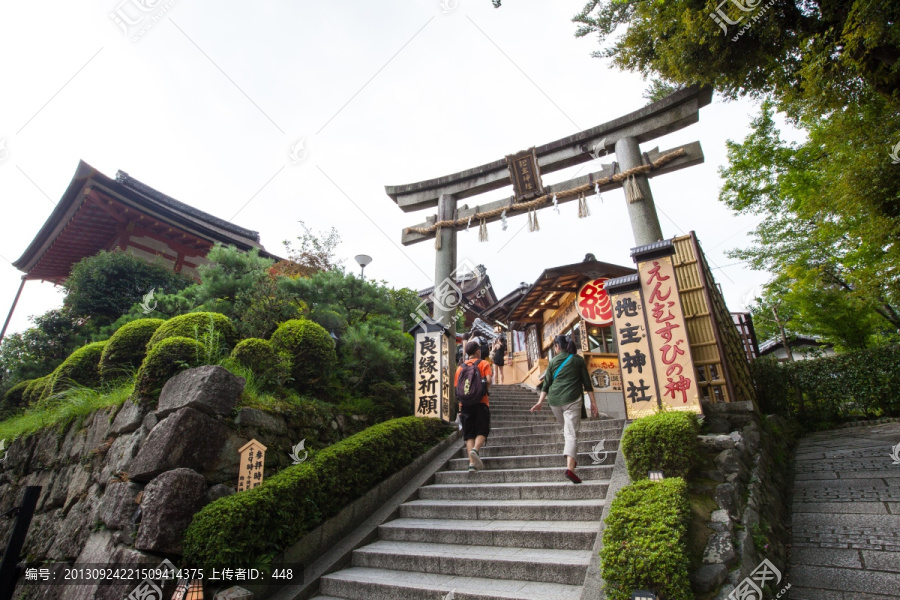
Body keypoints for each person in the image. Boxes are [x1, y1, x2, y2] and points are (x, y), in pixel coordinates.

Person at [530, 334, 598, 484]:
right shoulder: (578, 360)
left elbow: (546, 384)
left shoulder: (553, 361)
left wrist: (540, 401)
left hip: (554, 401)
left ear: (557, 347)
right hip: (572, 400)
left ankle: (571, 460)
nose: (554, 349)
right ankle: (570, 469)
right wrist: (593, 403)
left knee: (568, 431)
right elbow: (587, 383)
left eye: (554, 346)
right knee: (571, 433)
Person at [455, 340, 492, 472]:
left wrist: (460, 408)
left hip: (465, 405)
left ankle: (472, 464)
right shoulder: (484, 364)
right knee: (483, 430)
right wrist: (482, 390)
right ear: (477, 351)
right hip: (481, 403)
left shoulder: (460, 368)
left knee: (469, 434)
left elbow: (458, 390)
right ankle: (475, 450)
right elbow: (489, 381)